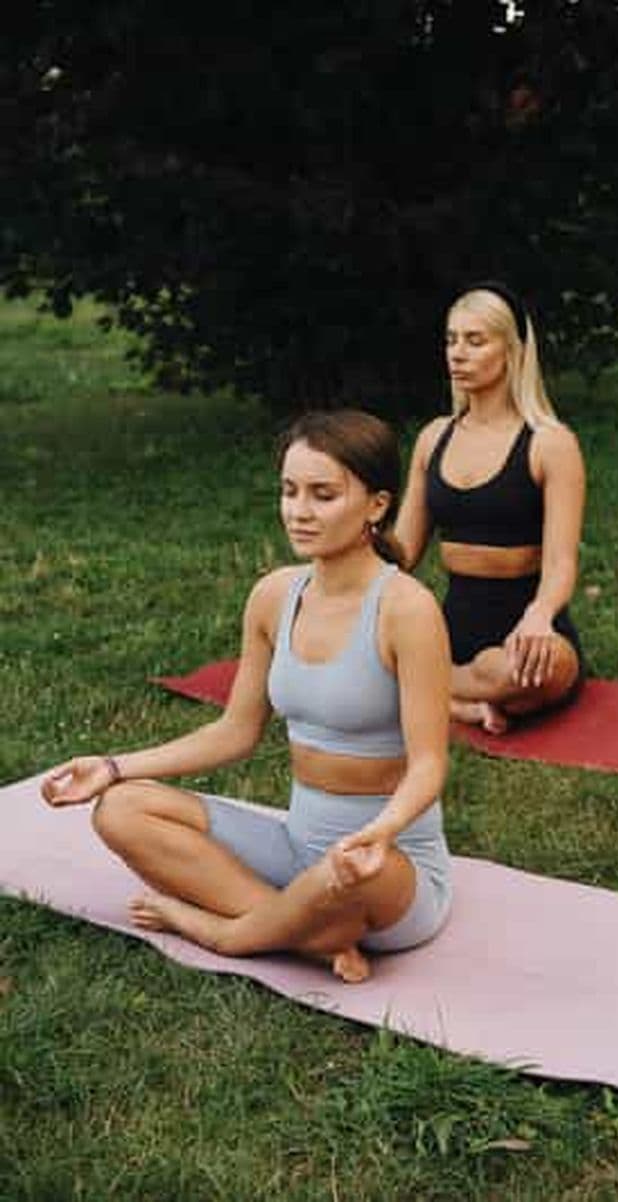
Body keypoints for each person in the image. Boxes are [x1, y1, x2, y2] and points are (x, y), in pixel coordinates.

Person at [41, 410, 453, 984]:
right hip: (295, 846)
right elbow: (234, 731)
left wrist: (380, 833)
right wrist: (112, 767)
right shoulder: (273, 596)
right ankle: (309, 936)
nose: (299, 511)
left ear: (376, 505)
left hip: (387, 866)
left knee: (343, 877)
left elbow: (430, 764)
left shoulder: (407, 610)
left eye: (323, 495)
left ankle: (225, 933)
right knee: (121, 809)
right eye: (289, 491)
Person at [396, 281, 586, 734]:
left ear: (512, 350)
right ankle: (464, 704)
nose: (457, 353)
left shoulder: (551, 444)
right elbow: (402, 552)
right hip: (449, 630)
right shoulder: (433, 438)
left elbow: (561, 564)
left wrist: (539, 616)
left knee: (533, 672)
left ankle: (425, 687)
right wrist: (348, 552)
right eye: (451, 340)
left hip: (525, 637)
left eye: (475, 341)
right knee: (355, 644)